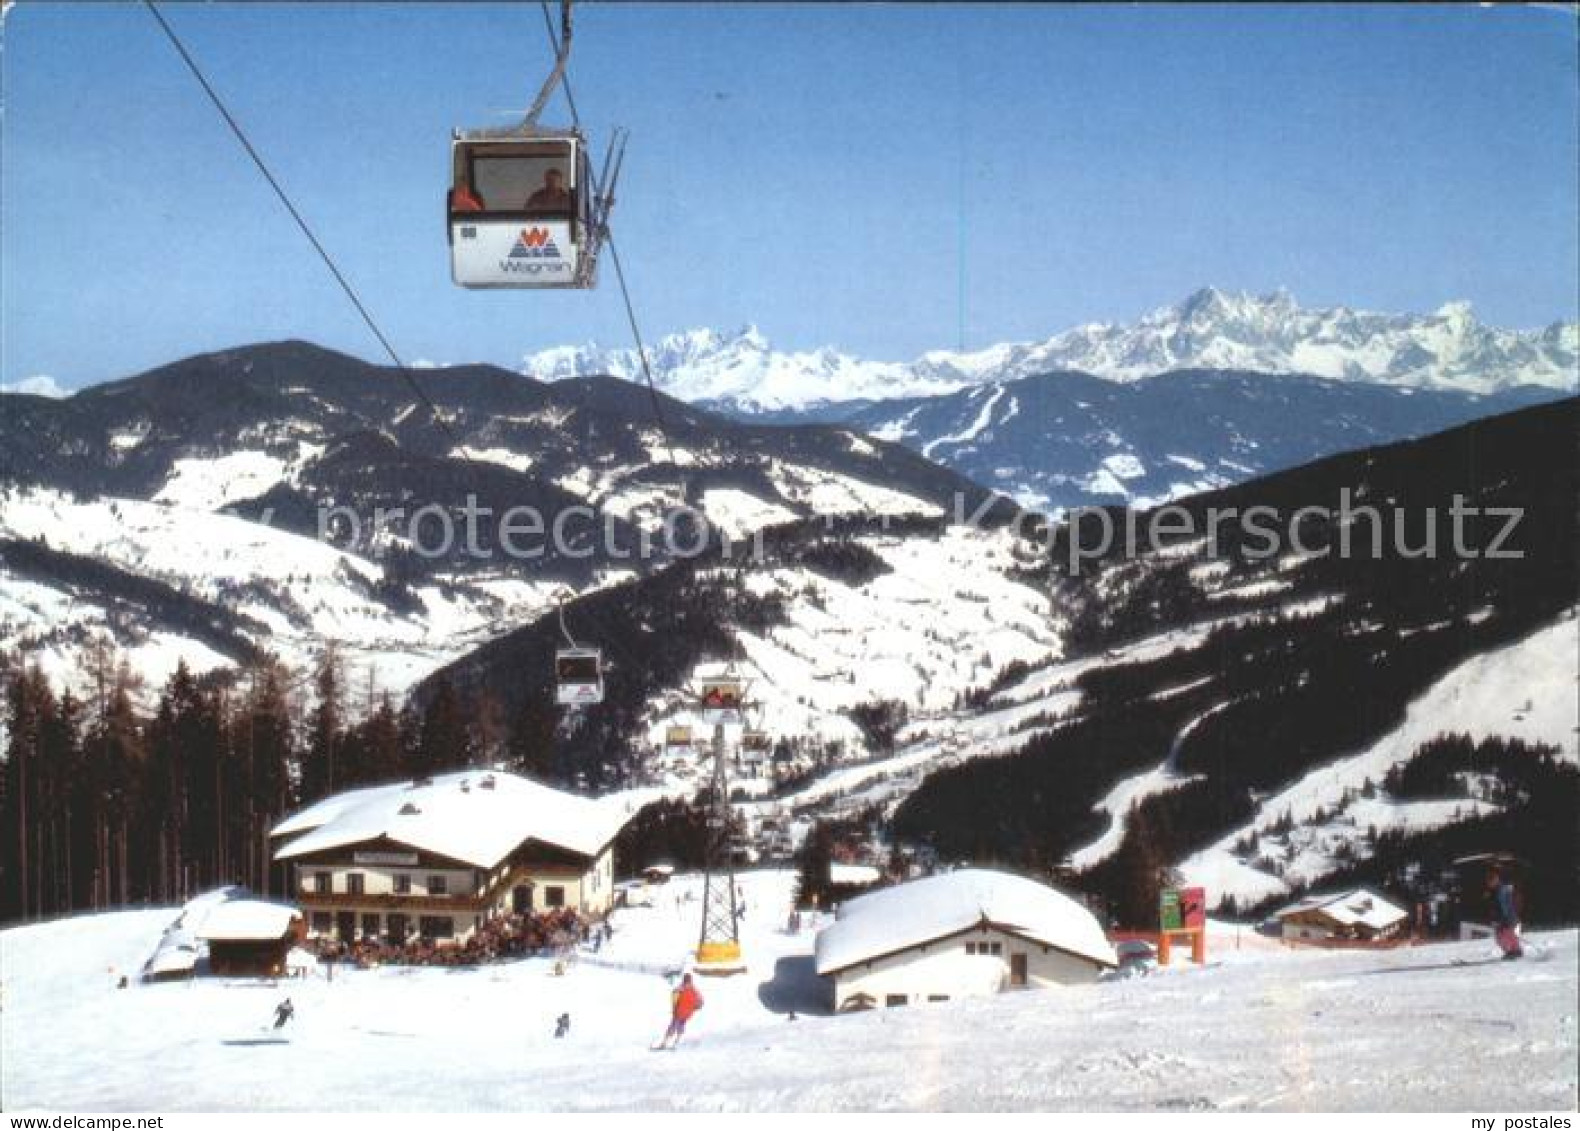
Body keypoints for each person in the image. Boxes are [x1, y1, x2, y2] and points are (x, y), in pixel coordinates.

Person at [657, 973, 703, 1049]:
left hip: (679, 1012)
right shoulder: (694, 990)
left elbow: (674, 999)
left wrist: (674, 1008)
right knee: (680, 1026)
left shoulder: (680, 989)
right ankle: (676, 1042)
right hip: (687, 1013)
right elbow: (700, 1002)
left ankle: (665, 1043)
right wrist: (695, 1007)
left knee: (673, 1026)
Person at [1486, 867, 1523, 959]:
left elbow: (1505, 906)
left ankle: (1515, 951)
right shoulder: (1494, 891)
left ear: (1496, 880)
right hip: (1502, 918)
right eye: (1488, 882)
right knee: (1501, 937)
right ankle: (1512, 951)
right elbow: (1494, 906)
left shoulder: (1501, 890)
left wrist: (1505, 918)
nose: (1489, 884)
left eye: (1491, 881)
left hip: (1507, 918)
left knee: (1506, 935)